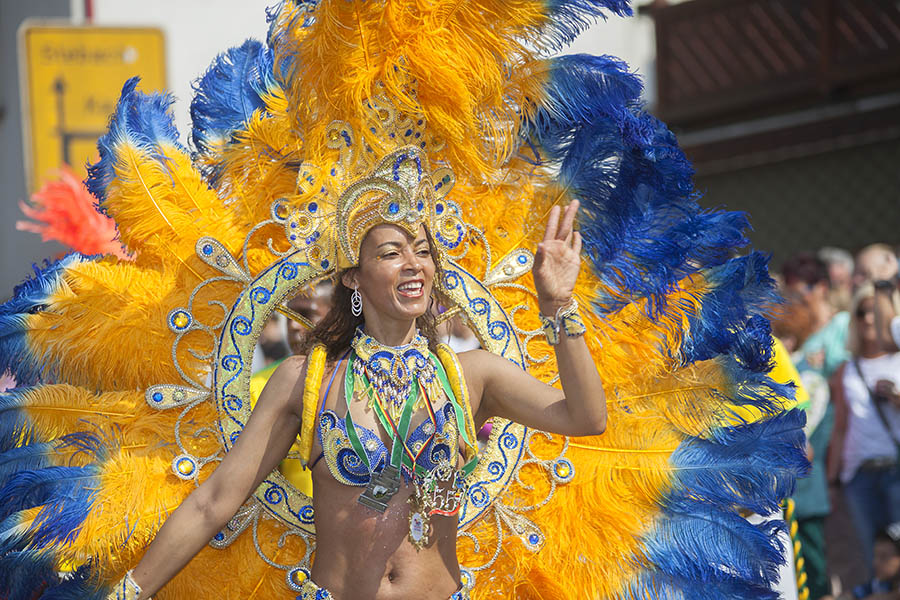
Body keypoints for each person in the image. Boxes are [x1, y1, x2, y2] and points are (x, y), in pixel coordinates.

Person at [0, 2, 808, 598]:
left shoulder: (472, 376)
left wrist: (559, 308)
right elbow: (215, 497)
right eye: (392, 251)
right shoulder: (304, 381)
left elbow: (584, 419)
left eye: (423, 249)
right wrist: (133, 591)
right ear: (353, 279)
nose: (415, 262)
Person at [782, 252, 851, 600]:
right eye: (791, 292)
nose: (798, 298)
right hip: (801, 447)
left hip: (828, 446)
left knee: (819, 550)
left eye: (804, 290)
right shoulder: (793, 336)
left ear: (822, 288)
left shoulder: (842, 326)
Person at [828, 283, 900, 575]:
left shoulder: (898, 359)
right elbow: (841, 428)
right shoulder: (847, 368)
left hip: (896, 469)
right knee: (874, 560)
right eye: (861, 312)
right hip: (860, 475)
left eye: (874, 311)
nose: (869, 319)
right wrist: (833, 481)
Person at [851, 524, 900, 599]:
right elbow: (854, 594)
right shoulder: (880, 584)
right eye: (875, 555)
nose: (875, 562)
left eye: (884, 557)